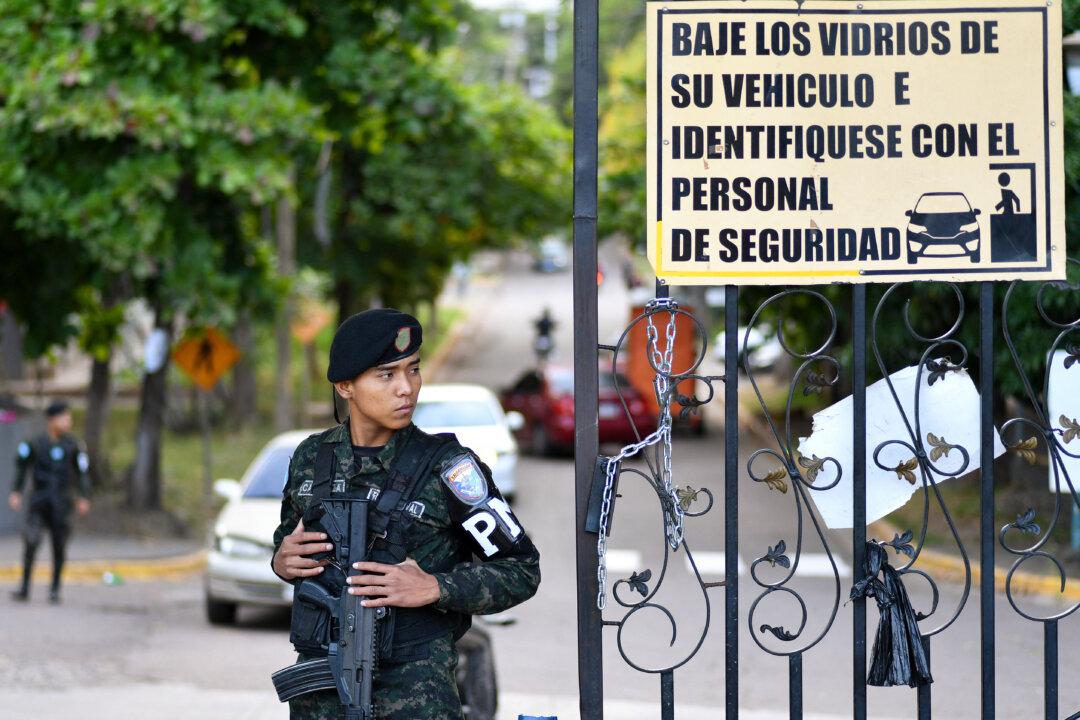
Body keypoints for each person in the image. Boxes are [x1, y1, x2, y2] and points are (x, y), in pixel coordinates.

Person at [272, 308, 540, 719]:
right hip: (319, 693)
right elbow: (290, 540)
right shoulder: (312, 457)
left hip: (415, 696)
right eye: (387, 375)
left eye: (413, 370)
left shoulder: (448, 468)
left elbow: (521, 569)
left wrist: (436, 586)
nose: (407, 388)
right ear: (345, 386)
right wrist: (281, 560)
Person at [9, 400, 91, 603]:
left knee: (59, 545)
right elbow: (22, 466)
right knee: (31, 540)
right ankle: (25, 587)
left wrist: (83, 495)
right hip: (40, 498)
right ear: (52, 420)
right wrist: (16, 491)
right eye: (64, 418)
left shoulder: (73, 445)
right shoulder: (35, 443)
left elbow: (82, 473)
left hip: (61, 500)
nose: (68, 422)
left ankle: (55, 589)